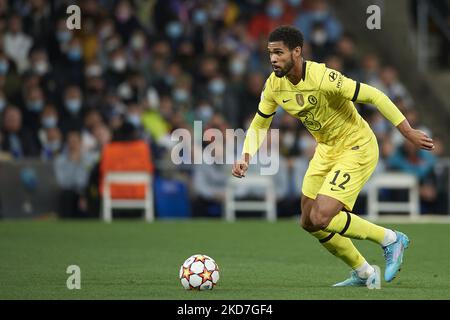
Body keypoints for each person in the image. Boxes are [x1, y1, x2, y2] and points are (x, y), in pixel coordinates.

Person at [232, 26, 435, 288]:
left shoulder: (323, 77)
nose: (273, 59)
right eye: (270, 53)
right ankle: (363, 272)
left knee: (322, 216)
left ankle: (390, 238)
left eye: (279, 53)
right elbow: (260, 124)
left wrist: (406, 131)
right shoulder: (273, 85)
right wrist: (245, 155)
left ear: (297, 51)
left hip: (356, 145)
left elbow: (374, 95)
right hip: (327, 149)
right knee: (308, 221)